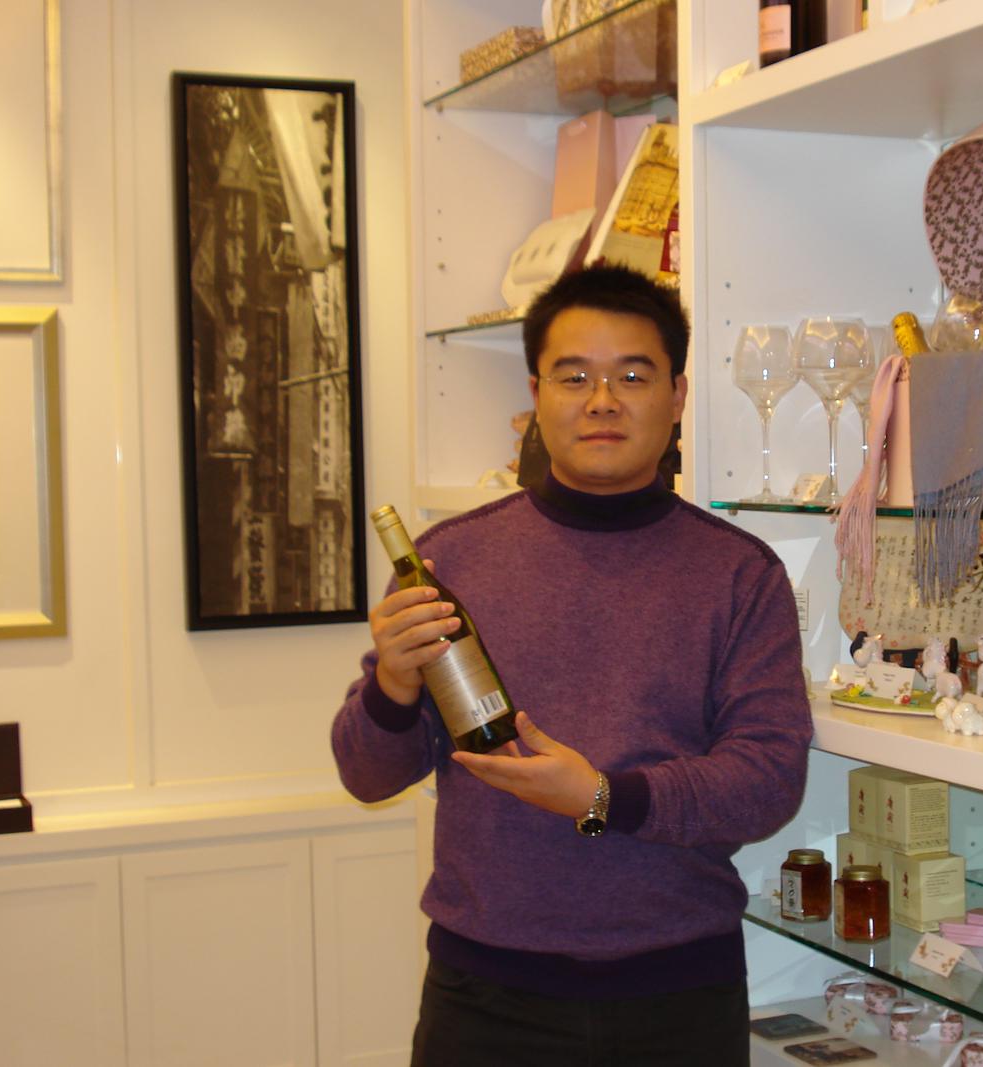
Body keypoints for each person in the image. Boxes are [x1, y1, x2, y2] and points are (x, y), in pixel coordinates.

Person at [331, 264, 814, 1066]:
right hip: (484, 994)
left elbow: (768, 779)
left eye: (633, 375)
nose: (602, 401)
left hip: (679, 993)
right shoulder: (451, 560)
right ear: (536, 394)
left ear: (677, 396)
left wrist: (601, 798)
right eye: (574, 376)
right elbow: (365, 775)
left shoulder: (739, 573)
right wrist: (391, 684)